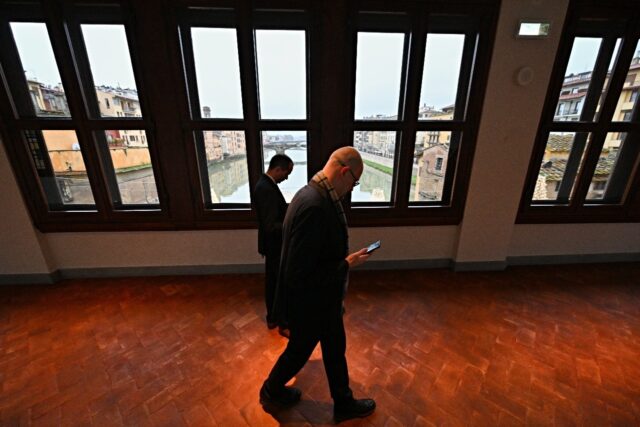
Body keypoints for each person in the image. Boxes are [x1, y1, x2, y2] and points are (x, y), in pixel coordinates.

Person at [259, 147, 376, 423]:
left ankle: (342, 401)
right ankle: (271, 389)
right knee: (301, 350)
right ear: (345, 172)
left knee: (333, 348)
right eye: (354, 182)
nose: (351, 189)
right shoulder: (316, 204)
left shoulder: (309, 193)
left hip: (319, 299)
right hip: (313, 301)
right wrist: (347, 264)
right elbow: (300, 272)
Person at [253, 154, 294, 337]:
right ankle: (283, 322)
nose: (287, 177)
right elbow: (271, 225)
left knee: (273, 283)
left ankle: (273, 318)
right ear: (278, 169)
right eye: (286, 173)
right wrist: (291, 224)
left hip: (271, 246)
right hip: (275, 246)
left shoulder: (264, 184)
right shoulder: (267, 189)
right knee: (280, 284)